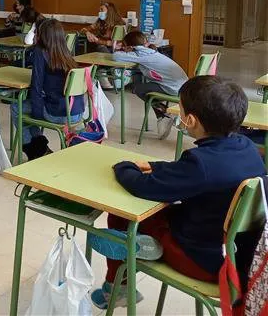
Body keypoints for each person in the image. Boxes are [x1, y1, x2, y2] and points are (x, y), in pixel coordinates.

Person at [89, 76, 266, 310]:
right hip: (236, 255)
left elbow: (144, 187)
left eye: (180, 110)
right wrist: (156, 166)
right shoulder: (247, 147)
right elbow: (184, 172)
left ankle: (119, 284)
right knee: (159, 214)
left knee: (122, 214)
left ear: (190, 120)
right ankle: (145, 246)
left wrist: (124, 167)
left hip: (202, 261)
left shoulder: (200, 163)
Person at [11, 18, 84, 160]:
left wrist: (37, 115)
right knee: (30, 110)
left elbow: (36, 86)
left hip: (58, 113)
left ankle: (35, 151)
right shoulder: (65, 51)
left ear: (42, 35)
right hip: (77, 112)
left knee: (16, 108)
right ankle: (40, 148)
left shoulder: (40, 51)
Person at [113, 30, 188, 139]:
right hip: (183, 87)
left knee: (139, 89)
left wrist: (120, 49)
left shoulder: (139, 54)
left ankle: (164, 114)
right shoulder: (150, 51)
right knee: (147, 88)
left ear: (130, 46)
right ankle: (164, 114)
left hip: (175, 88)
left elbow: (116, 56)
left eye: (125, 46)